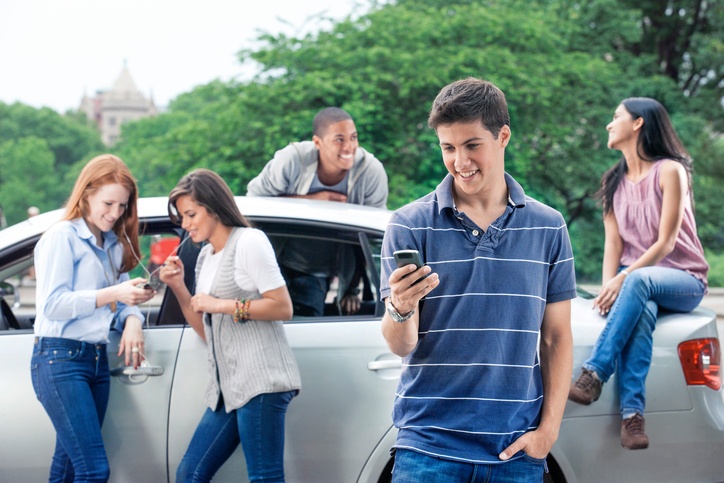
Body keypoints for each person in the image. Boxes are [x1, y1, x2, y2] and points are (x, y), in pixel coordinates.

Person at [380, 77, 576, 482]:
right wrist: (399, 308)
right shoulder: (408, 225)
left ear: (503, 136)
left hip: (515, 454)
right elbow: (402, 344)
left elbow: (557, 337)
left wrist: (548, 432)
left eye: (472, 145)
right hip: (427, 450)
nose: (459, 161)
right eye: (448, 148)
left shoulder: (549, 227)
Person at [568, 97, 709, 450]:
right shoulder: (613, 181)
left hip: (683, 278)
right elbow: (612, 246)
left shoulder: (670, 171)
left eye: (616, 117)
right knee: (641, 310)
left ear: (638, 124)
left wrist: (622, 278)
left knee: (638, 280)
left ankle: (594, 374)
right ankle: (632, 418)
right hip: (638, 284)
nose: (608, 124)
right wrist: (608, 289)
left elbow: (666, 241)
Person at [160, 169, 301, 482]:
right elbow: (205, 329)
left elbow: (282, 307)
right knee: (190, 474)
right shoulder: (206, 256)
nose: (185, 225)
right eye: (182, 217)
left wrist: (221, 305)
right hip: (229, 389)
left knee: (264, 477)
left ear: (213, 207)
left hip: (262, 381)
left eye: (191, 214)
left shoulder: (249, 241)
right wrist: (179, 287)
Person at [31, 154, 155, 482]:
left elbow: (117, 303)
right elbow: (53, 305)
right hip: (60, 358)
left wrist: (131, 319)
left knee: (70, 466)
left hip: (97, 361)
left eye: (122, 206)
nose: (114, 214)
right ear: (86, 194)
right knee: (94, 469)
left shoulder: (113, 244)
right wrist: (115, 295)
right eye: (108, 203)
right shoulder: (62, 237)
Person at [247, 107, 388, 316]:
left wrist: (352, 288)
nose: (349, 146)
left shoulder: (370, 172)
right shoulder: (292, 160)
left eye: (353, 137)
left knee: (305, 334)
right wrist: (313, 200)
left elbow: (368, 237)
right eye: (339, 139)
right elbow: (253, 202)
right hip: (273, 265)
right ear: (317, 143)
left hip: (318, 274)